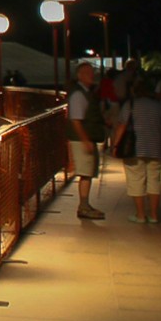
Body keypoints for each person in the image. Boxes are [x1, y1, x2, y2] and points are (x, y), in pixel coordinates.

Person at [110, 77, 161, 223]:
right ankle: (154, 215)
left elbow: (122, 126)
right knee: (154, 181)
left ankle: (140, 214)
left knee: (136, 180)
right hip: (155, 148)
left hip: (135, 148)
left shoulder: (130, 105)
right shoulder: (159, 106)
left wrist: (116, 145)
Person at [68, 63, 107, 219]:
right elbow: (76, 119)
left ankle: (85, 204)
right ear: (80, 75)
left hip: (86, 137)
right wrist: (85, 140)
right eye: (88, 73)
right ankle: (83, 206)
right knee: (85, 172)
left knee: (88, 173)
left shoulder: (85, 93)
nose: (92, 76)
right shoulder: (79, 95)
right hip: (82, 139)